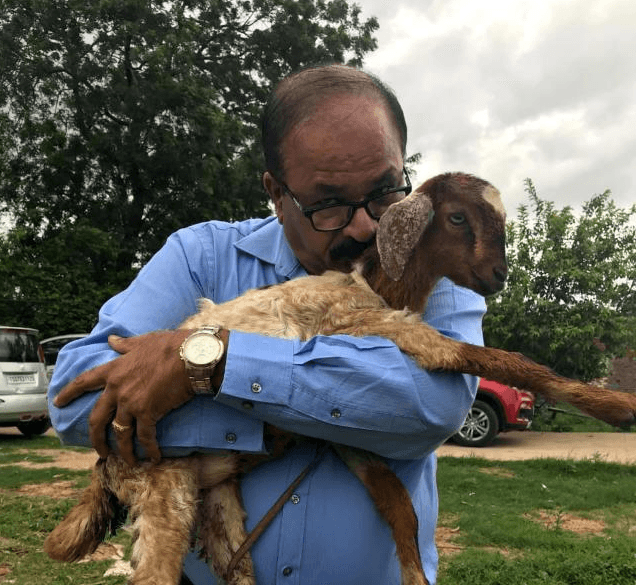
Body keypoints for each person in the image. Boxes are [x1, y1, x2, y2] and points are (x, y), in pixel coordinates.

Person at [48, 63, 485, 584]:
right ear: (276, 193)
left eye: (386, 191)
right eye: (328, 204)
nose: (369, 225)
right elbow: (77, 404)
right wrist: (320, 410)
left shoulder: (431, 265)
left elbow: (430, 405)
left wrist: (209, 365)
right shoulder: (201, 255)